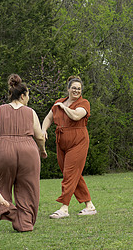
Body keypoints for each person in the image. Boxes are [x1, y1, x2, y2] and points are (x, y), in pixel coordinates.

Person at [0, 74, 47, 232]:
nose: (28, 99)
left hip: (4, 148)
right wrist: (42, 150)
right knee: (28, 187)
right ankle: (24, 223)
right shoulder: (30, 112)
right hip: (28, 149)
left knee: (0, 184)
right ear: (23, 95)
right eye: (28, 95)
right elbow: (39, 136)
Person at [41, 75, 97, 218]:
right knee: (73, 174)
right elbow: (49, 118)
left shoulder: (84, 103)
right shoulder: (59, 102)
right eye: (74, 88)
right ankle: (89, 206)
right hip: (62, 142)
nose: (76, 91)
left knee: (69, 173)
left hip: (78, 141)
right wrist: (43, 130)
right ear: (68, 89)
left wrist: (64, 108)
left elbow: (76, 116)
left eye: (79, 89)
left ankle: (64, 208)